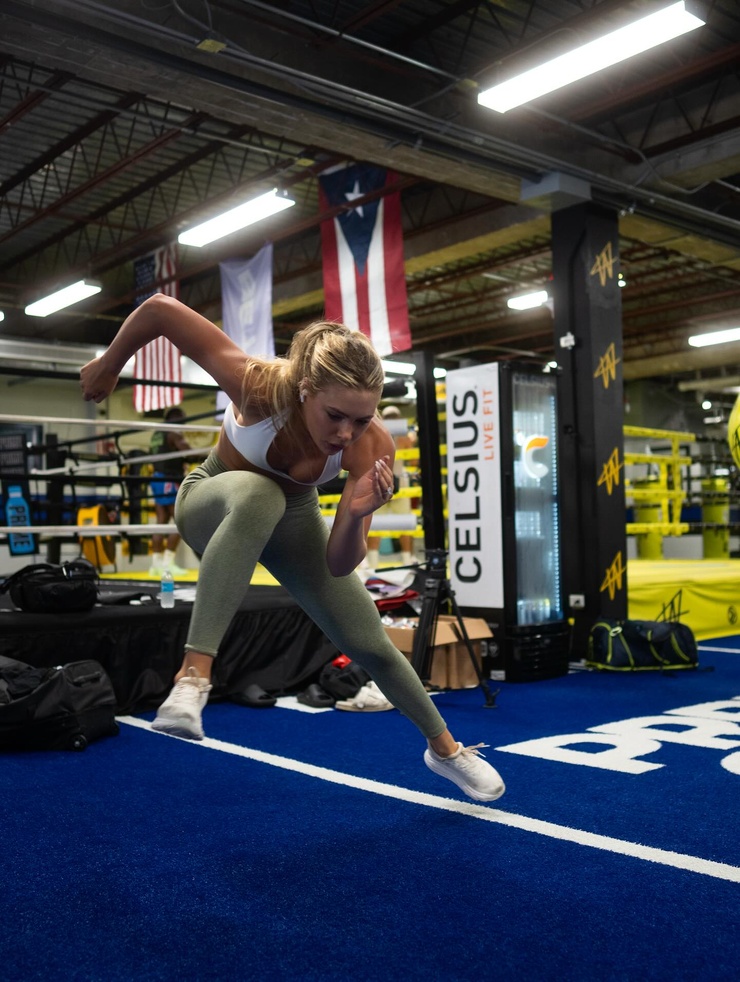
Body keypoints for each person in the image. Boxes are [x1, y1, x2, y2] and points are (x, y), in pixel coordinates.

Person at [80, 294, 505, 803]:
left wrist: (354, 514)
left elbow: (339, 564)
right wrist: (110, 364)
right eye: (335, 415)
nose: (346, 433)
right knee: (260, 493)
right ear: (305, 390)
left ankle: (446, 751)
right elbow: (159, 310)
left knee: (369, 637)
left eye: (361, 419)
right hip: (212, 500)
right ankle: (193, 676)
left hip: (294, 515)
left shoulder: (372, 447)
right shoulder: (258, 385)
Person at [365, 405, 417, 569]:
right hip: (387, 478)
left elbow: (414, 461)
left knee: (388, 522)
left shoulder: (376, 434)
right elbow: (414, 461)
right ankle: (404, 560)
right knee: (380, 522)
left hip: (386, 479)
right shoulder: (399, 436)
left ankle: (375, 563)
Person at [148, 405, 191, 576]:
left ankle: (156, 564)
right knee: (180, 520)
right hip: (168, 479)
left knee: (161, 519)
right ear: (175, 418)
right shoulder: (173, 433)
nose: (184, 424)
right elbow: (189, 452)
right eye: (182, 419)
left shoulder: (157, 434)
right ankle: (167, 563)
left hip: (157, 477)